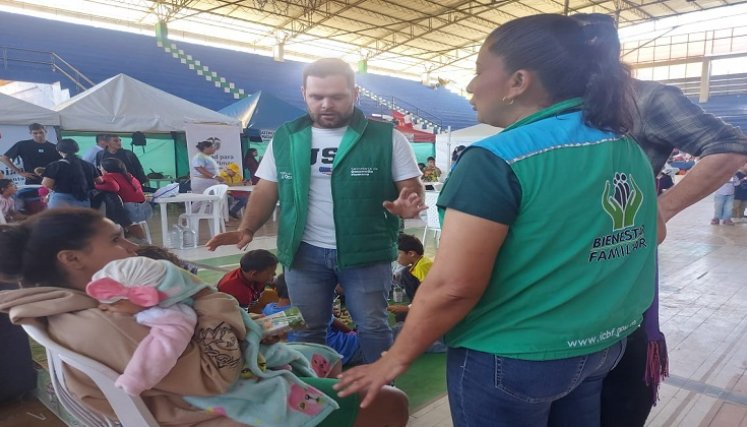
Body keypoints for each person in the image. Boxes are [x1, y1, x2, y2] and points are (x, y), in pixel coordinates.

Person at [335, 14, 657, 427]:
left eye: (478, 70)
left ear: (518, 81)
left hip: (514, 357)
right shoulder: (625, 146)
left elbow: (454, 286)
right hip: (602, 347)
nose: (469, 86)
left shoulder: (498, 158)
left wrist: (394, 358)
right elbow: (650, 233)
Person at [0, 209, 409, 427]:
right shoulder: (100, 320)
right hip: (206, 412)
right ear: (71, 259)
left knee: (315, 353)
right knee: (390, 402)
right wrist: (205, 297)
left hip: (191, 398)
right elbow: (217, 375)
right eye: (114, 239)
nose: (129, 247)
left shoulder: (71, 305)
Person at [571, 13, 747, 427]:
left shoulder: (644, 98)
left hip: (618, 258)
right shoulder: (554, 103)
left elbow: (729, 147)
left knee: (619, 377)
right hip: (558, 257)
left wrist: (661, 210)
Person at [207, 58, 425, 364]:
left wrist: (407, 202)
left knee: (373, 326)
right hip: (304, 253)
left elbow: (411, 185)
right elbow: (267, 188)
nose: (326, 104)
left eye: (337, 96)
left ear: (355, 93)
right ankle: (313, 394)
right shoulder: (287, 137)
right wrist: (247, 228)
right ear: (304, 93)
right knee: (306, 329)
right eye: (316, 96)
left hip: (366, 253)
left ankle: (382, 392)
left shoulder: (386, 137)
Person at [85, 257, 204, 396]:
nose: (102, 307)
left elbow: (161, 351)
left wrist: (135, 379)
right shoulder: (161, 300)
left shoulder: (175, 317)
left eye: (113, 304)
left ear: (142, 297)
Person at [264, 274, 364, 367]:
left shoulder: (268, 309)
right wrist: (352, 332)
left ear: (276, 290)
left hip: (310, 353)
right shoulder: (308, 312)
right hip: (343, 351)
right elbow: (344, 328)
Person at [96, 157, 152, 240]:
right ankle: (132, 236)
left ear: (105, 169)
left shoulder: (108, 177)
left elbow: (114, 187)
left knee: (108, 205)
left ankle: (117, 238)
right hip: (146, 211)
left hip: (130, 212)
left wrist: (93, 185)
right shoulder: (130, 176)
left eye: (101, 167)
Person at [42, 138, 99, 209]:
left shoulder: (55, 166)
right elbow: (99, 181)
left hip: (60, 201)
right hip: (83, 200)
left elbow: (46, 185)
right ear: (76, 149)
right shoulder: (89, 165)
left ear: (59, 151)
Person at [217, 249, 278, 314]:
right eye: (271, 273)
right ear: (254, 274)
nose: (275, 274)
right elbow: (244, 317)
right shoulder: (237, 291)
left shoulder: (251, 274)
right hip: (237, 313)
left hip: (253, 302)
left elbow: (274, 284)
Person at [388, 233, 433, 317]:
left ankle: (419, 311)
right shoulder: (417, 264)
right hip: (424, 302)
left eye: (399, 253)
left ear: (411, 254)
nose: (396, 257)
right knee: (406, 272)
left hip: (433, 304)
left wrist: (408, 308)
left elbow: (431, 293)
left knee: (401, 316)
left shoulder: (423, 266)